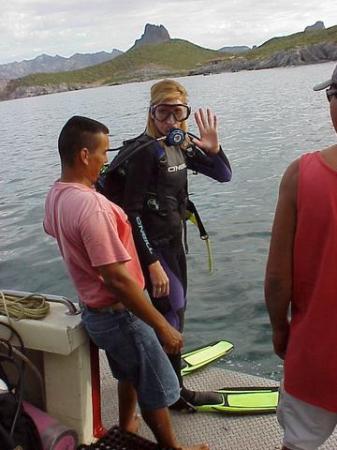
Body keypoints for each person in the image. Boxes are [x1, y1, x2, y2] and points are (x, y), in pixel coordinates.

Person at [43, 115, 208, 450]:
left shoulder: (56, 196)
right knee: (157, 388)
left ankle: (125, 425)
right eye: (103, 152)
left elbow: (58, 233)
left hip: (95, 311)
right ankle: (172, 448)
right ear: (84, 156)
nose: (108, 160)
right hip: (121, 315)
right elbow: (116, 278)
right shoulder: (92, 207)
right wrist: (162, 326)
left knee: (129, 373)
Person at [119, 79, 232, 409]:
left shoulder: (181, 146)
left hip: (174, 244)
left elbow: (224, 174)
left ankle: (168, 370)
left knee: (175, 313)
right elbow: (132, 212)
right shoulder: (145, 152)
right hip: (154, 250)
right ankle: (176, 394)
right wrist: (151, 262)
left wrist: (213, 149)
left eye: (177, 113)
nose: (170, 122)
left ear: (185, 114)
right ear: (151, 114)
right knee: (173, 312)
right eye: (162, 113)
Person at [265, 64, 337, 450]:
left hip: (315, 355)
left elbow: (278, 277)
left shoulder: (300, 175)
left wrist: (280, 328)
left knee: (298, 445)